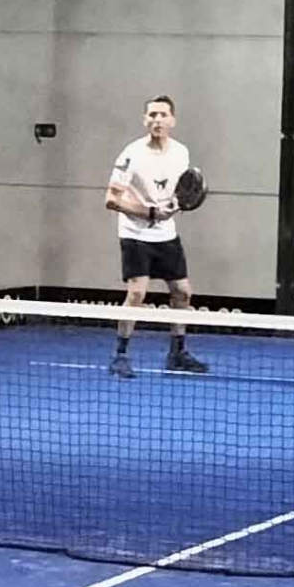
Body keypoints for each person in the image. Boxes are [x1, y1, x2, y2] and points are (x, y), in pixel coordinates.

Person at [103, 94, 206, 379]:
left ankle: (177, 353)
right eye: (152, 115)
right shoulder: (131, 154)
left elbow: (179, 192)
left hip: (166, 234)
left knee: (183, 292)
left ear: (172, 120)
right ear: (145, 120)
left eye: (163, 115)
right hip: (135, 234)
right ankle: (120, 355)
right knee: (137, 293)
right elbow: (111, 199)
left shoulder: (181, 153)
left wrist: (173, 207)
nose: (157, 120)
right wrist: (149, 212)